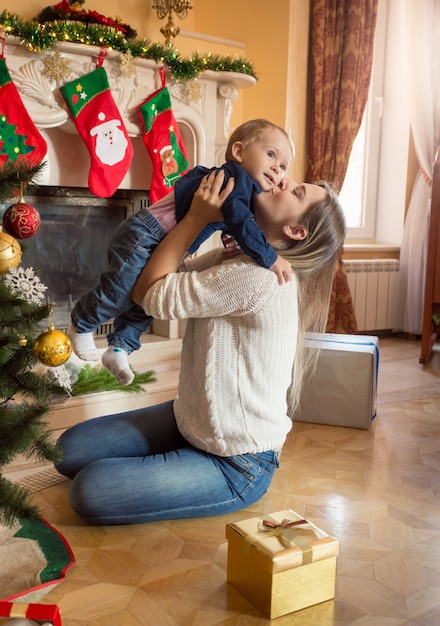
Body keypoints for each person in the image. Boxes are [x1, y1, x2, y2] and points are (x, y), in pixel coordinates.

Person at [54, 168, 346, 525]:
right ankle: (177, 456)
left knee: (91, 490)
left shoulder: (257, 279)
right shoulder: (244, 260)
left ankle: (188, 469)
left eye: (297, 192)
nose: (282, 180)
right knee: (66, 451)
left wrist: (195, 218)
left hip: (237, 462)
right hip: (192, 420)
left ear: (296, 231)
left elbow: (150, 294)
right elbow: (170, 270)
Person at [68, 118, 294, 385]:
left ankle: (120, 347)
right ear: (239, 152)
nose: (277, 170)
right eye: (270, 155)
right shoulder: (233, 180)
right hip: (145, 233)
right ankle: (82, 322)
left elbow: (235, 222)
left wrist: (232, 241)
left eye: (282, 167)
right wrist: (269, 256)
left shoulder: (243, 193)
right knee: (120, 291)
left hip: (168, 244)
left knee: (146, 299)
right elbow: (240, 220)